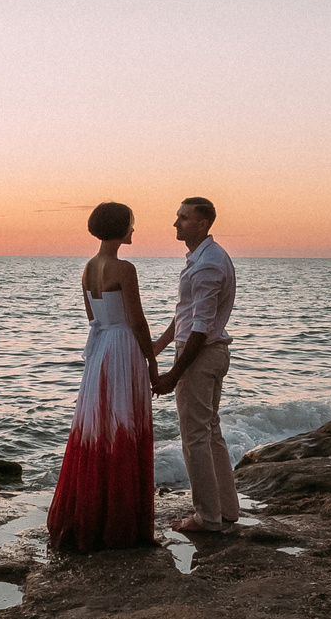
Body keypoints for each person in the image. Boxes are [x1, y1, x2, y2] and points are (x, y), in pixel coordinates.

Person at [45, 201, 159, 552]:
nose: (134, 229)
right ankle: (122, 521)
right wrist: (152, 362)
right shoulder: (125, 268)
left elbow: (92, 318)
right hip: (123, 348)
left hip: (100, 350)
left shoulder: (88, 268)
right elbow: (137, 321)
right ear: (120, 229)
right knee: (123, 425)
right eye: (131, 224)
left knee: (99, 428)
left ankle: (91, 515)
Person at [152, 196, 238, 534]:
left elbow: (200, 327)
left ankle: (207, 518)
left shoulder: (207, 265)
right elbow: (186, 314)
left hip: (201, 354)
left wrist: (174, 374)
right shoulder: (205, 258)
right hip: (208, 351)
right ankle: (226, 509)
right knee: (210, 432)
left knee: (195, 438)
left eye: (184, 218)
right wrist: (159, 345)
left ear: (203, 224)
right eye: (178, 216)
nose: (176, 223)